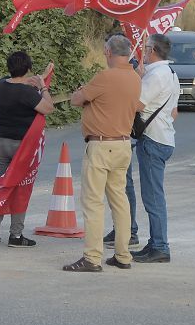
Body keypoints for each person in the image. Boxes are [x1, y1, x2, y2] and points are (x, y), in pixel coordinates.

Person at [63, 34, 143, 272]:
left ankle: (92, 257)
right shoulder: (135, 78)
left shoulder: (105, 77)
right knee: (119, 201)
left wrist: (83, 94)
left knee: (93, 203)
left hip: (100, 145)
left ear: (108, 52)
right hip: (123, 144)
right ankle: (123, 254)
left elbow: (77, 99)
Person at [0, 51, 54, 248]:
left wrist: (38, 78)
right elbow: (48, 108)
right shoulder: (29, 93)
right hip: (21, 145)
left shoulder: (2, 85)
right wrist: (43, 86)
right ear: (28, 68)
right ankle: (16, 235)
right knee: (21, 189)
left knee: (3, 186)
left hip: (0, 142)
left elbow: (18, 83)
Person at [131, 33, 179, 263]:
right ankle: (154, 242)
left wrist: (136, 80)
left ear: (152, 50)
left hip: (153, 139)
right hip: (164, 136)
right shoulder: (171, 73)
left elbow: (136, 104)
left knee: (153, 197)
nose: (142, 51)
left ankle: (160, 246)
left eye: (145, 47)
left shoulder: (156, 75)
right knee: (154, 195)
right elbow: (174, 112)